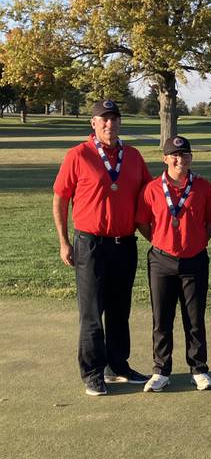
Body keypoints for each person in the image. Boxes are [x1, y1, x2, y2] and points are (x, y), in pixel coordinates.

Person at [53, 99, 151, 396]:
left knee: (120, 310)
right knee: (92, 311)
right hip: (90, 244)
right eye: (103, 120)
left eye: (114, 119)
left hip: (125, 244)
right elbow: (60, 198)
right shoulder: (79, 155)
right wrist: (63, 241)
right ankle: (93, 372)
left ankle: (118, 365)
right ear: (93, 124)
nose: (110, 124)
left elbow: (149, 196)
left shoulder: (132, 156)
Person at [135, 136, 211, 392]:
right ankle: (161, 370)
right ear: (165, 158)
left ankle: (199, 368)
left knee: (194, 319)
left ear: (191, 158)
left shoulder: (202, 187)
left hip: (194, 260)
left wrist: (196, 242)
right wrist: (162, 241)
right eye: (175, 155)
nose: (180, 159)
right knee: (162, 318)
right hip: (161, 260)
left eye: (185, 155)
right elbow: (143, 223)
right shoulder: (151, 189)